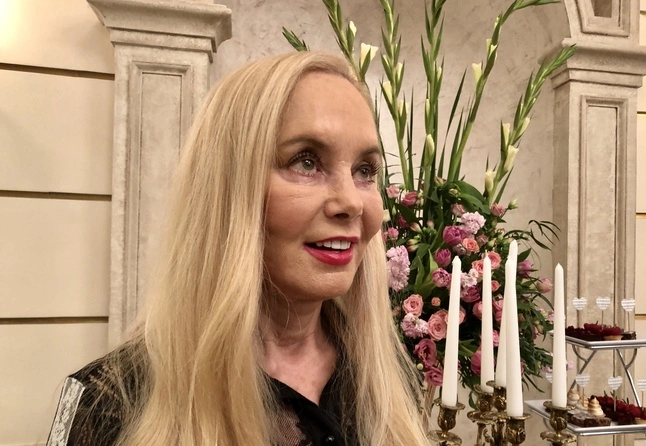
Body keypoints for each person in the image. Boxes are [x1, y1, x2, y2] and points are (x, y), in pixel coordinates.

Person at [47, 51, 430, 446]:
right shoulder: (109, 402)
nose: (350, 202)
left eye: (364, 170)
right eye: (306, 162)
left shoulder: (392, 382)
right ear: (228, 189)